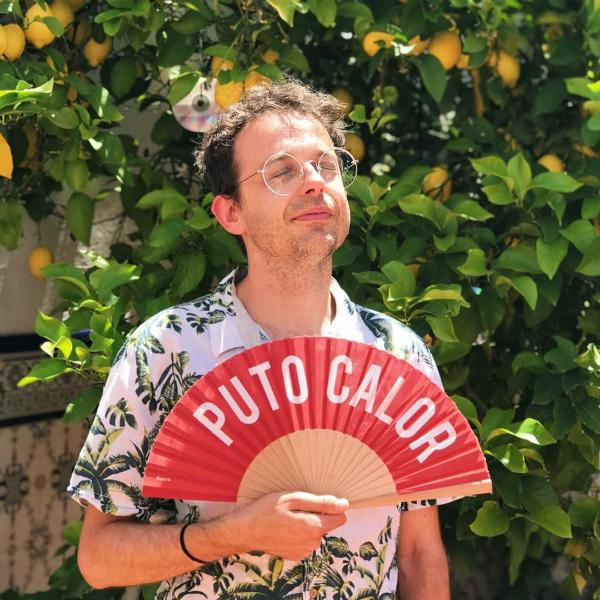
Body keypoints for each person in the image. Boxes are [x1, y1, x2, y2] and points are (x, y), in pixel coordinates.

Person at [69, 79, 452, 600]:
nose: (315, 183)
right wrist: (234, 534)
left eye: (327, 165)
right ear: (231, 213)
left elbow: (417, 552)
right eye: (283, 172)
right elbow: (98, 559)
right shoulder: (166, 351)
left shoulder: (400, 353)